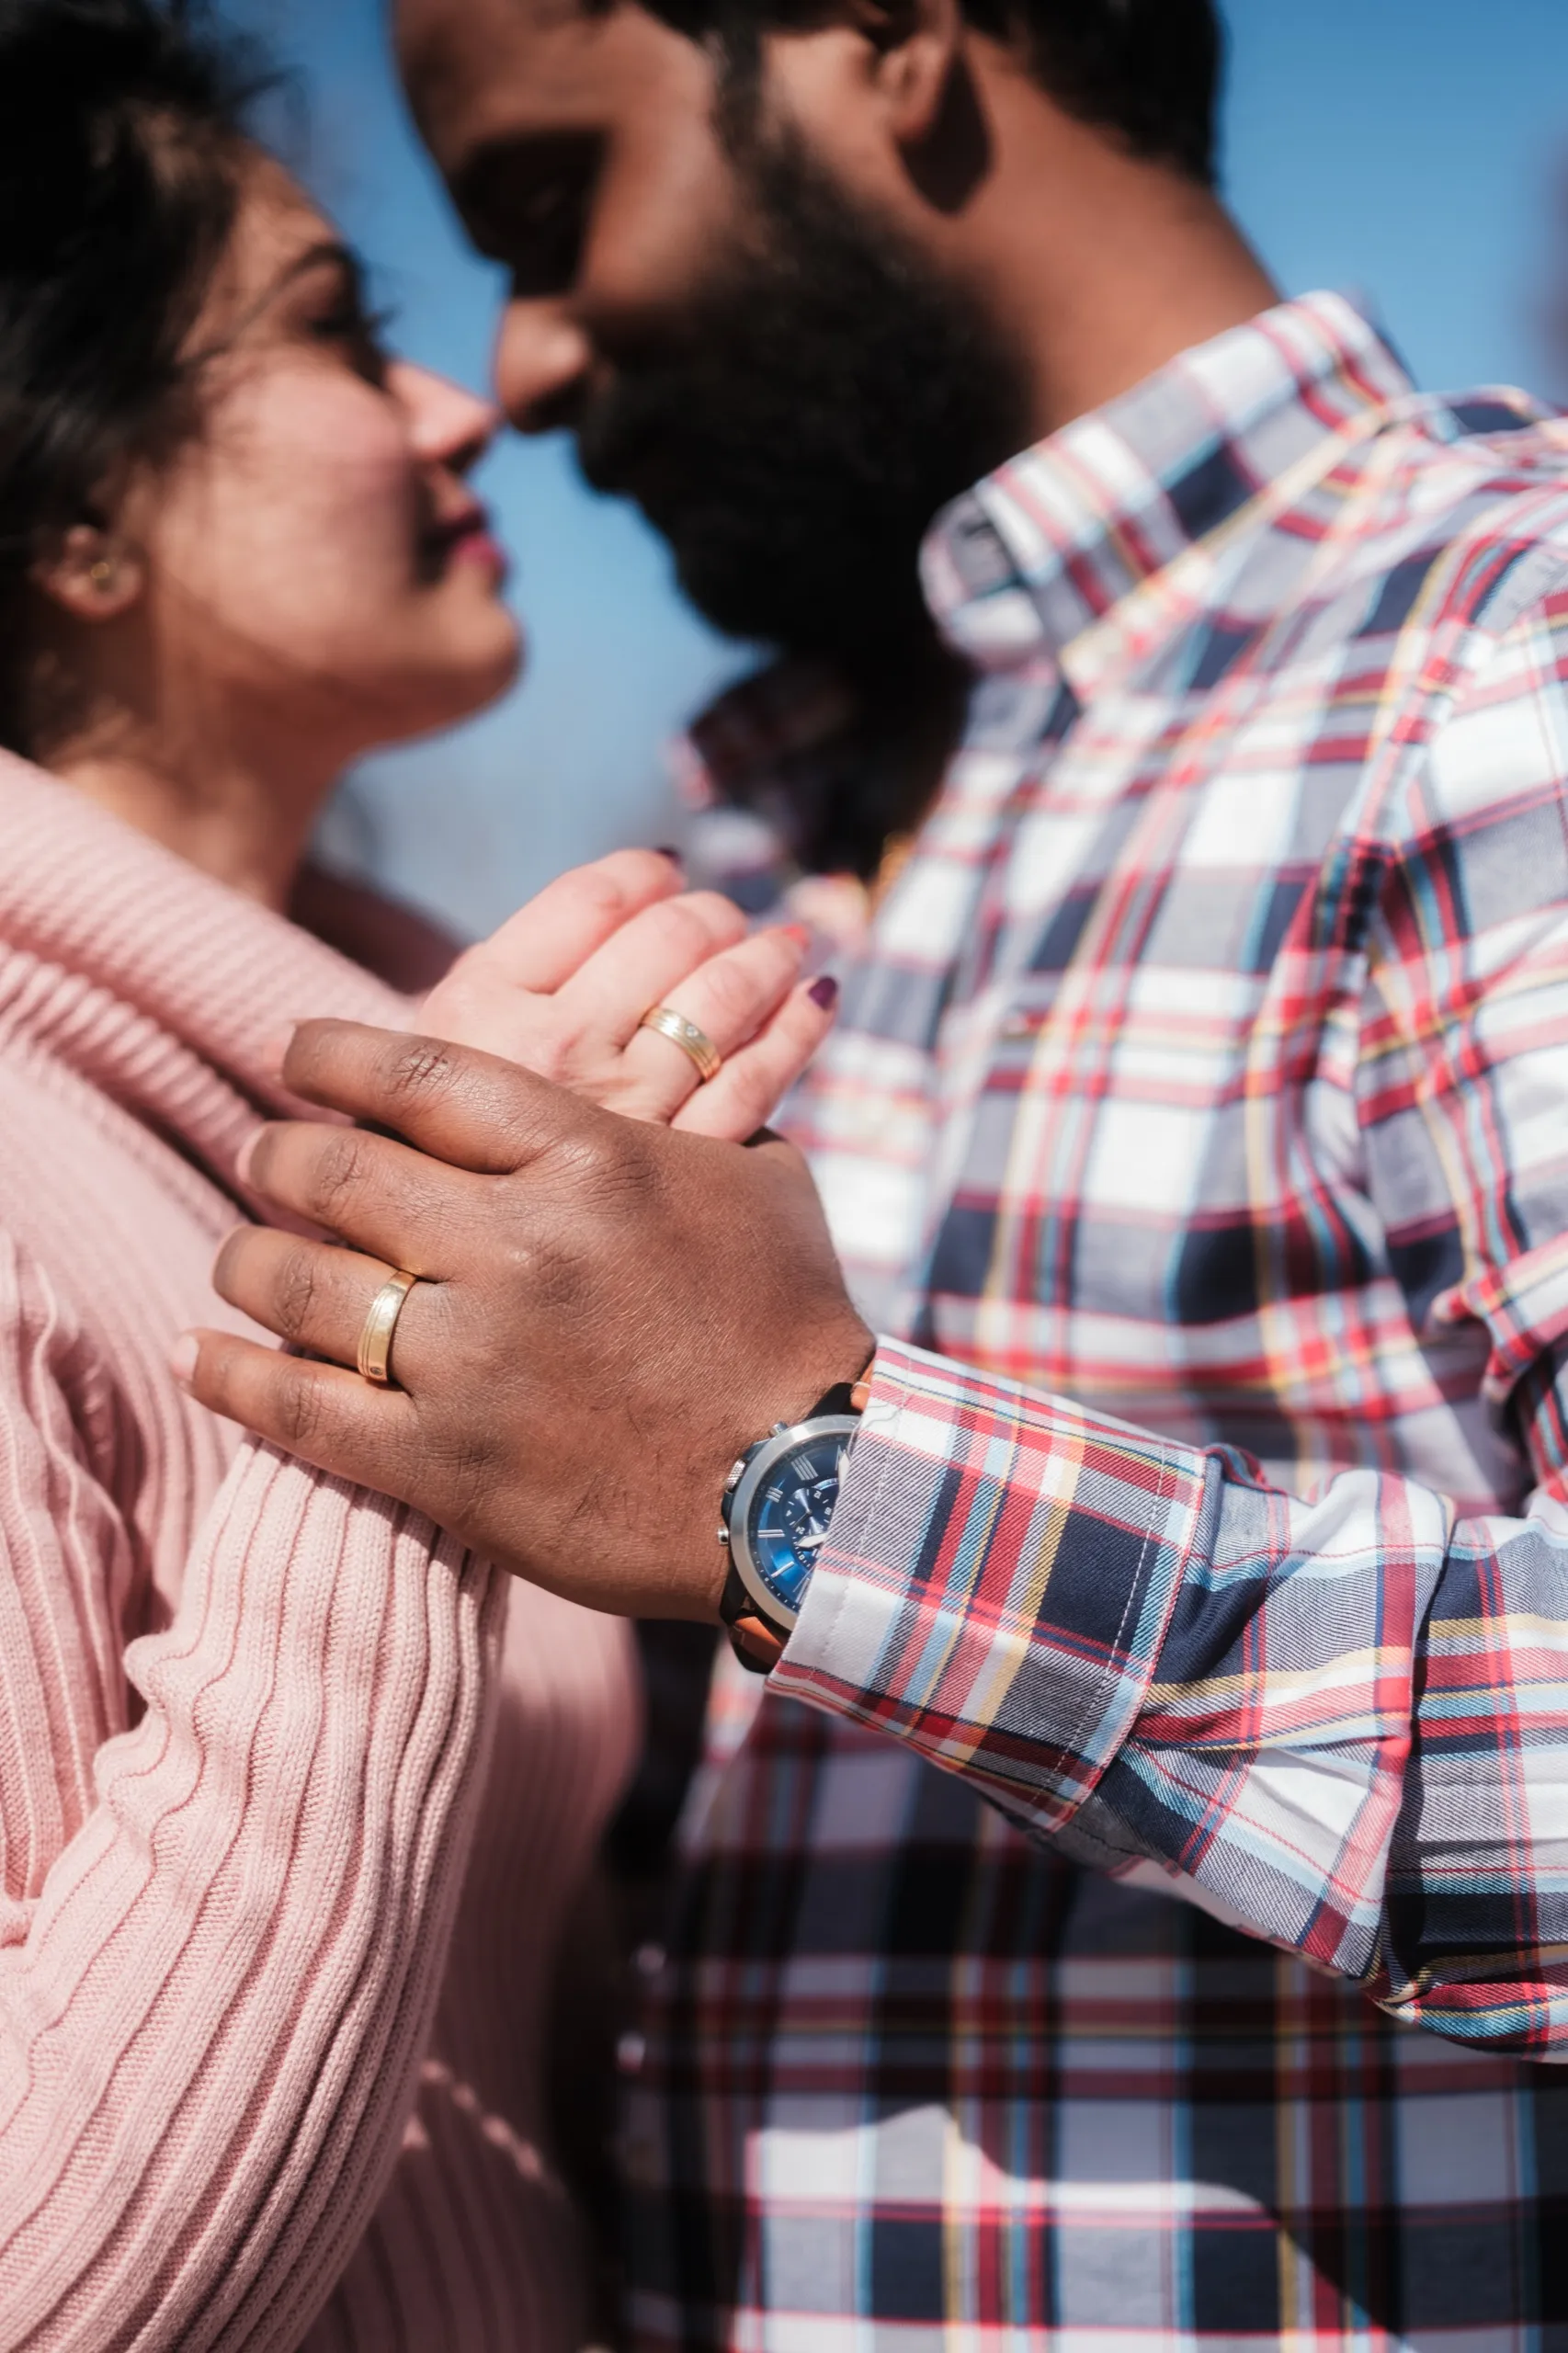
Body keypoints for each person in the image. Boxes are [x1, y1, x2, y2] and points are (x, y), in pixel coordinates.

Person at [180, 0, 1568, 2343]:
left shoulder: (1495, 658)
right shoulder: (756, 853)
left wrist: (805, 1477)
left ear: (895, 40)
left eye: (550, 201)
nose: (520, 362)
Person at [0, 3, 839, 2346]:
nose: (465, 398)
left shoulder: (305, 1077)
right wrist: (399, 1359)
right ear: (69, 513)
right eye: (336, 334)